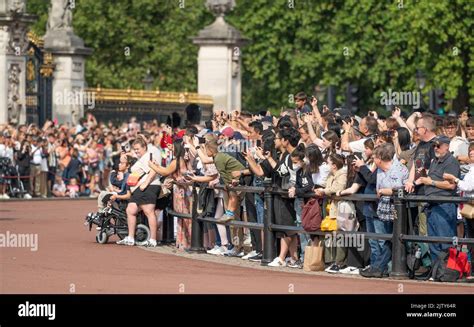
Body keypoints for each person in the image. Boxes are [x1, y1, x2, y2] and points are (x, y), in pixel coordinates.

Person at [360, 143, 408, 278]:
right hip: (383, 205)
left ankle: (380, 268)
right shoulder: (380, 170)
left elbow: (397, 190)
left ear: (380, 158)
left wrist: (384, 191)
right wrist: (384, 191)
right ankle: (380, 268)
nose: (372, 160)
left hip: (398, 207)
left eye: (374, 157)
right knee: (386, 239)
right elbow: (379, 190)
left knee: (392, 238)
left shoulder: (397, 168)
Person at [415, 135, 460, 262]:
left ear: (447, 146)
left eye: (438, 146)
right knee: (433, 242)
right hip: (432, 205)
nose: (436, 148)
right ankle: (437, 271)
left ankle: (448, 271)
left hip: (444, 205)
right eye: (434, 145)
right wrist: (423, 174)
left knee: (445, 241)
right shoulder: (435, 160)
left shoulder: (451, 161)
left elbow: (451, 185)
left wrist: (431, 182)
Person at [116, 138, 161, 247]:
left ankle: (153, 239)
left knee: (148, 211)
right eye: (134, 149)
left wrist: (146, 182)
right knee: (130, 210)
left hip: (149, 186)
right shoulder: (140, 157)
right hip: (139, 188)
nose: (136, 151)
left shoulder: (149, 155)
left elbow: (154, 169)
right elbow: (128, 160)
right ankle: (131, 238)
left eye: (137, 149)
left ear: (144, 147)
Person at [314, 154, 348, 273]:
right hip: (329, 207)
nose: (326, 165)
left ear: (334, 165)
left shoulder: (342, 174)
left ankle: (339, 262)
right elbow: (327, 186)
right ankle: (330, 260)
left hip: (339, 208)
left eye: (328, 162)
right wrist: (320, 189)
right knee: (328, 233)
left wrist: (324, 191)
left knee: (338, 234)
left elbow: (337, 188)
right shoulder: (330, 174)